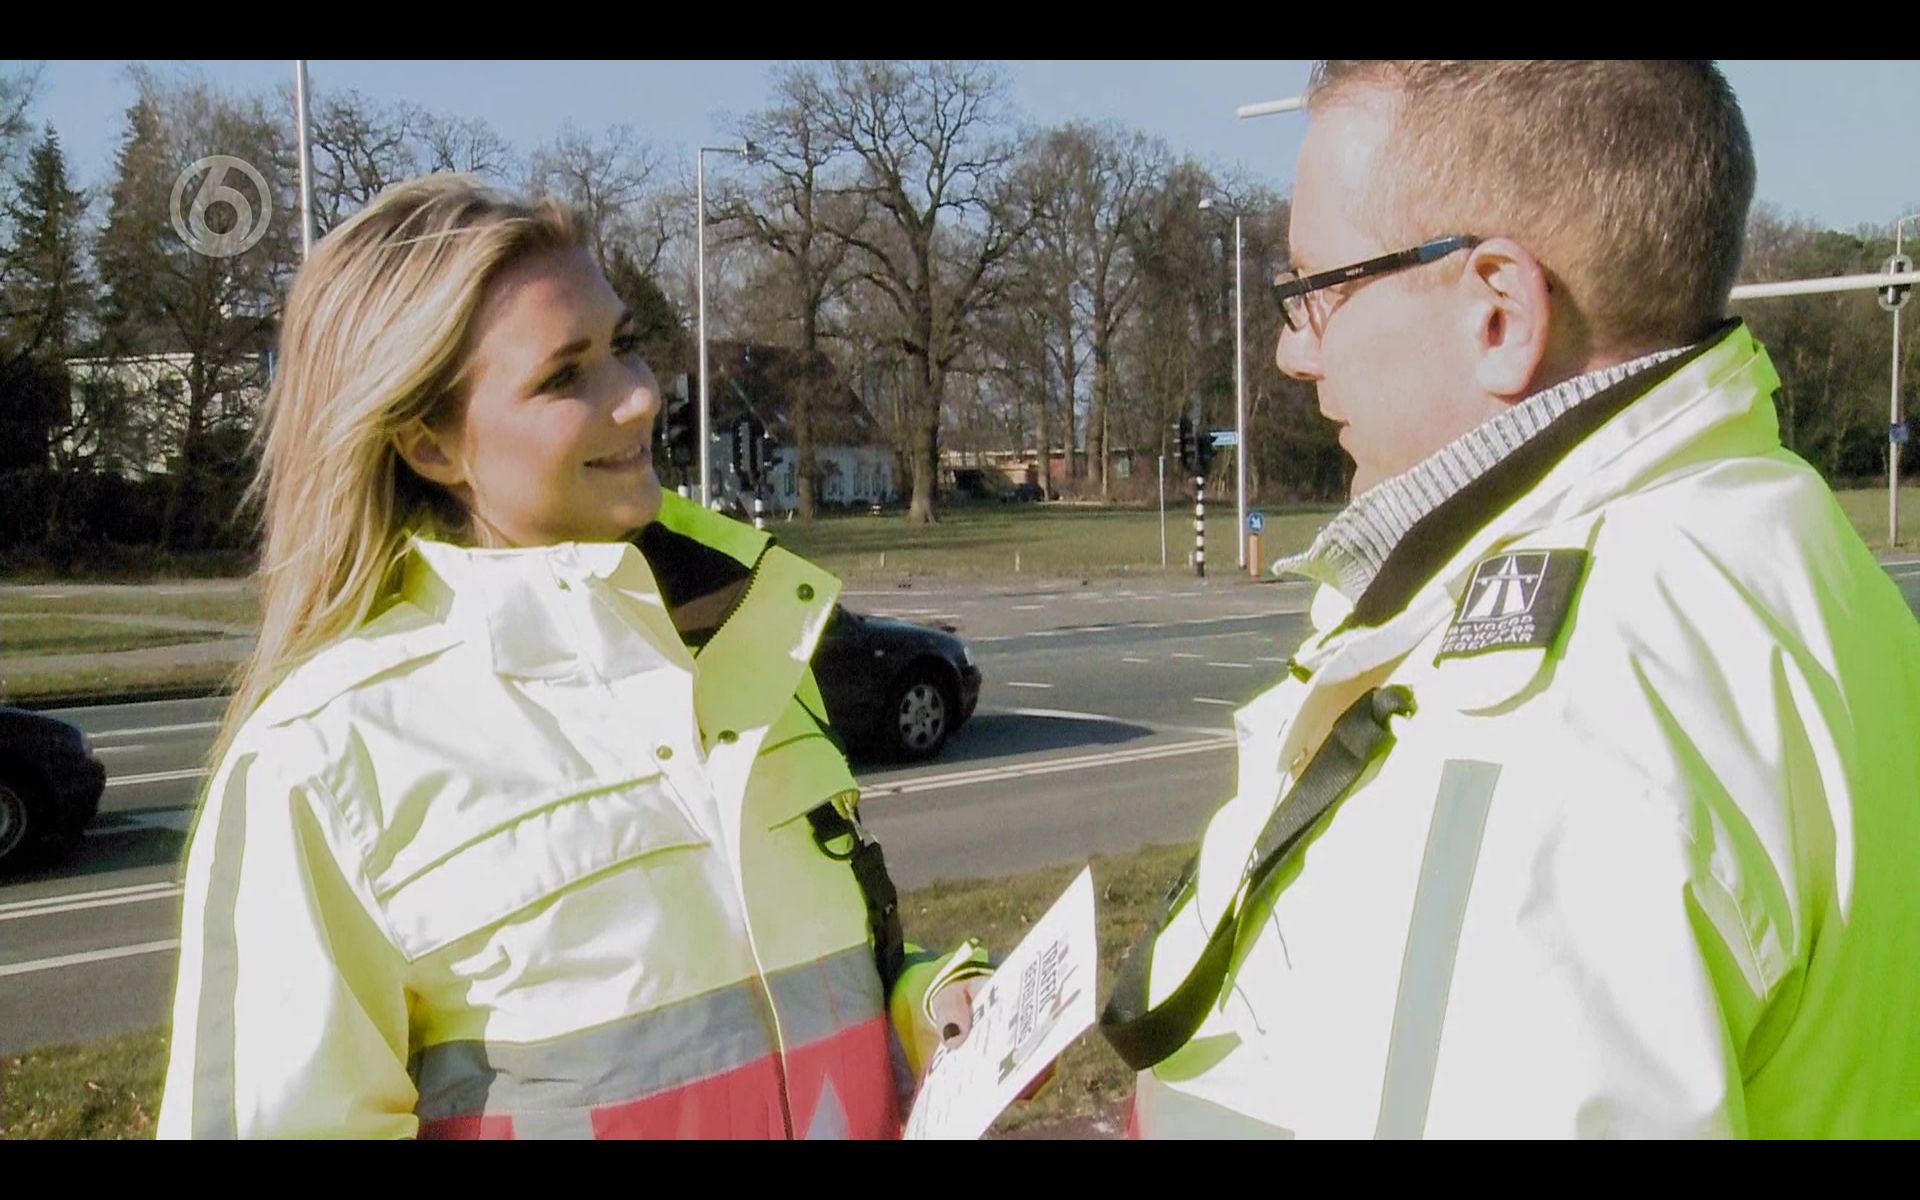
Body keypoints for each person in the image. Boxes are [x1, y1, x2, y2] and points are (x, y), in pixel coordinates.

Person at [1102, 59, 1920, 1138]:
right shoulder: (1785, 540)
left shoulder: (1551, 716)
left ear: (1498, 311)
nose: (1294, 351)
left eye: (1317, 291)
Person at [158, 174, 989, 1139]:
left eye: (625, 344)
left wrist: (928, 1004)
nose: (639, 396)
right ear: (428, 444)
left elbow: (773, 994)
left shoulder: (742, 635)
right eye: (565, 376)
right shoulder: (325, 759)